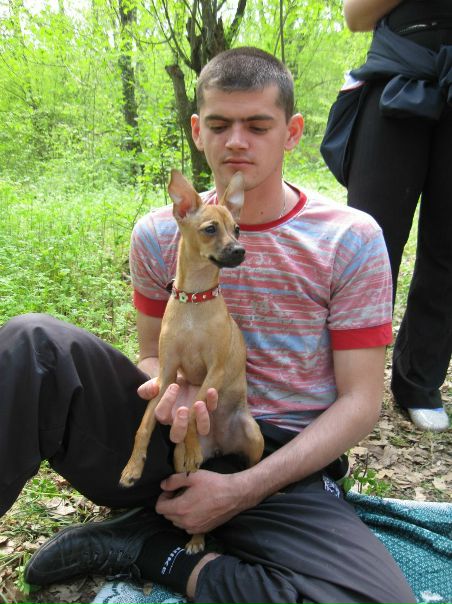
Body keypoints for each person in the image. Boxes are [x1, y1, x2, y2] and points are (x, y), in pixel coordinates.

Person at [1, 48, 416, 604]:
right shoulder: (159, 233)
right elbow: (152, 356)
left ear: (292, 132)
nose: (236, 141)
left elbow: (361, 402)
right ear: (198, 131)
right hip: (176, 435)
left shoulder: (350, 238)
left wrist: (243, 488)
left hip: (278, 461)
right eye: (220, 126)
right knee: (32, 343)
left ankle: (151, 549)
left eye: (258, 126)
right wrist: (169, 393)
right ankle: (163, 510)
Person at [341, 0, 452, 431]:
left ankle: (419, 384)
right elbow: (354, 16)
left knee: (448, 248)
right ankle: (348, 377)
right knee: (370, 240)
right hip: (397, 74)